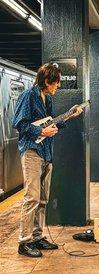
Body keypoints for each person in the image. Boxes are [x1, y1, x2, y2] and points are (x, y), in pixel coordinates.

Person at [13, 63, 83, 257]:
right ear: (46, 81)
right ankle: (24, 241)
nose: (58, 86)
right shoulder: (28, 96)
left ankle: (37, 236)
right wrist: (41, 131)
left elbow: (50, 124)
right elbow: (19, 123)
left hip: (46, 152)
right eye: (56, 83)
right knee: (32, 197)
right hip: (32, 152)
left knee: (42, 198)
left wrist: (69, 115)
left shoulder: (48, 99)